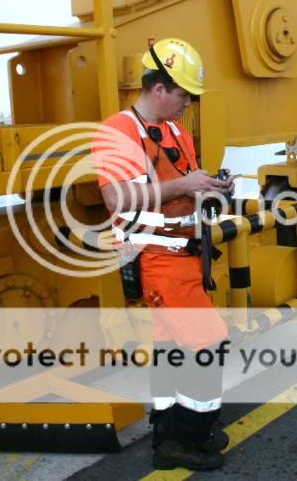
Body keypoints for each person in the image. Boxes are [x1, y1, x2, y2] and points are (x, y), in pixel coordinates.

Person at [92, 38, 234, 471]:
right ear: (158, 88)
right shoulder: (118, 131)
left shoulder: (174, 131)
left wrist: (211, 186)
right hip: (156, 256)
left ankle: (170, 430)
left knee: (170, 345)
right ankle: (189, 437)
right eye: (182, 94)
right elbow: (117, 198)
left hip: (183, 253)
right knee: (207, 342)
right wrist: (185, 186)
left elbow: (184, 183)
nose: (187, 103)